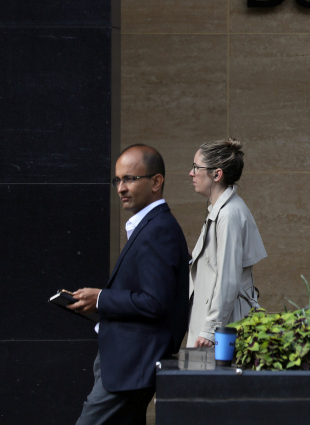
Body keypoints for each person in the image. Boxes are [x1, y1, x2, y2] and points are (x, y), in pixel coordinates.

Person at [70, 144, 190, 425]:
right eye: (118, 180)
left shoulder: (158, 229)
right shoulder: (150, 226)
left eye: (130, 179)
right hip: (125, 363)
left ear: (156, 182)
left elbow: (155, 302)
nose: (121, 188)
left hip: (131, 366)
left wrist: (101, 299)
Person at [187, 138, 267, 348]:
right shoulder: (222, 209)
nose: (191, 173)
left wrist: (210, 329)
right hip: (218, 325)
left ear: (217, 174)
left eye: (196, 167)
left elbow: (228, 278)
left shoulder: (229, 214)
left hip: (222, 328)